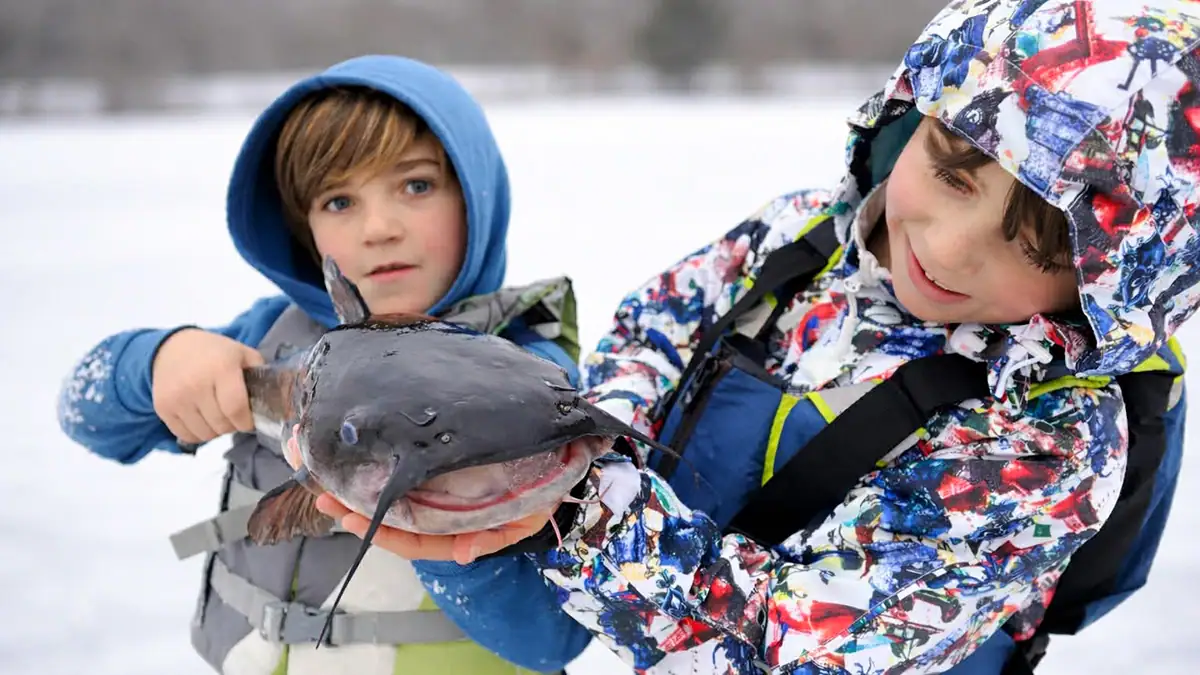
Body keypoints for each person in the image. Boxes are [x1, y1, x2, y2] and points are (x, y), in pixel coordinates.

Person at [312, 3, 1196, 674]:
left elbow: (798, 644)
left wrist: (583, 511)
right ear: (914, 112)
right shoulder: (803, 232)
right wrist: (570, 444)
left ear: (1114, 284)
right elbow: (652, 326)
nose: (947, 246)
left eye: (1038, 243)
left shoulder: (1050, 441)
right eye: (954, 171)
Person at [55, 55, 591, 675]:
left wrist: (452, 538)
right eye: (339, 201)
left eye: (416, 186)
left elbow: (554, 641)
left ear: (476, 197)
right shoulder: (269, 337)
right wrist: (150, 365)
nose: (380, 228)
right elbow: (84, 416)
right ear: (302, 227)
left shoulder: (529, 385)